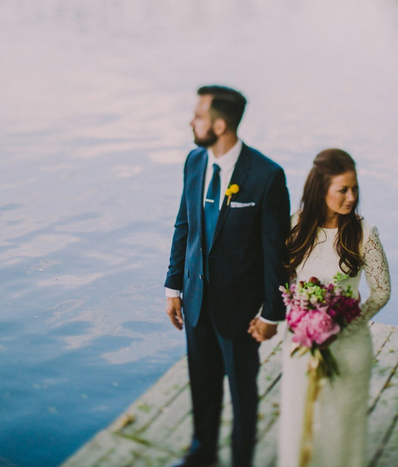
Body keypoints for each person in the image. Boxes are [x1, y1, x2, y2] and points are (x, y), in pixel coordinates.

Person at [165, 85, 291, 467]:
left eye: (198, 116)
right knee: (202, 386)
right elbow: (184, 225)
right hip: (195, 302)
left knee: (242, 394)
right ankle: (201, 454)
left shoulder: (266, 175)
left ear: (220, 124)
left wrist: (272, 312)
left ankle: (240, 461)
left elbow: (276, 252)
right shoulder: (194, 162)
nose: (191, 121)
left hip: (240, 312)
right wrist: (173, 285)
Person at [277, 149, 391, 467]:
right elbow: (282, 280)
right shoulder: (295, 226)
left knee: (341, 427)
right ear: (321, 189)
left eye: (355, 188)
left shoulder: (364, 234)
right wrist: (299, 314)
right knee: (299, 418)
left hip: (348, 348)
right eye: (343, 189)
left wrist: (344, 324)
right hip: (300, 343)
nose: (351, 197)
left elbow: (381, 292)